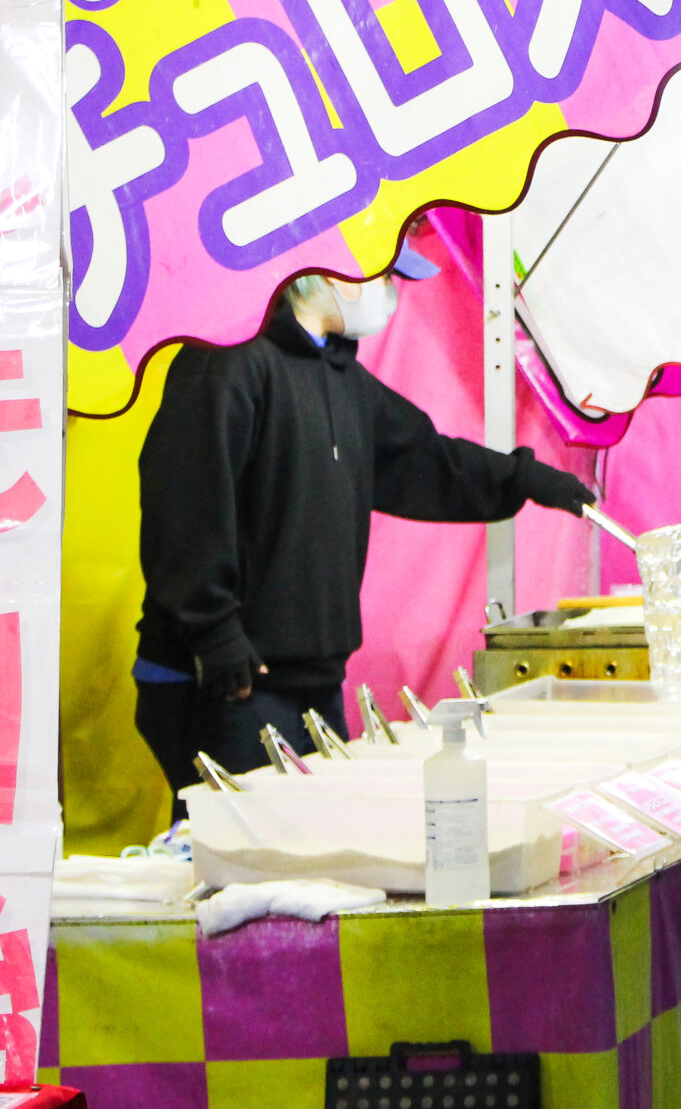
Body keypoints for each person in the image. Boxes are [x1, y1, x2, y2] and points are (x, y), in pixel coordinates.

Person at [134, 246, 595, 813]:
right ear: (327, 272)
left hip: (309, 679)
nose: (390, 291)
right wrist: (215, 633)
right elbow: (184, 502)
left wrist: (522, 478)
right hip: (226, 679)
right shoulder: (225, 363)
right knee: (238, 847)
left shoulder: (343, 381)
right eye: (383, 274)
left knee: (309, 846)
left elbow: (426, 460)